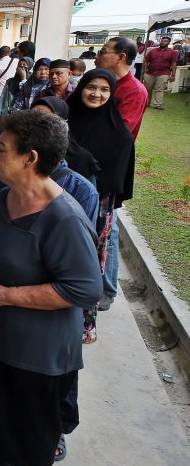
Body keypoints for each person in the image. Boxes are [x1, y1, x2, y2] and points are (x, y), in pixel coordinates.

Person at [0, 110, 102, 466]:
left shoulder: (65, 218)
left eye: (2, 148)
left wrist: (7, 294)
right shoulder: (6, 196)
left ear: (30, 158)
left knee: (33, 416)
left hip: (36, 345)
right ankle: (2, 454)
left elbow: (84, 289)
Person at [67, 69, 135, 344]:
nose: (96, 94)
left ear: (112, 95)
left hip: (97, 211)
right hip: (56, 202)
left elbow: (116, 178)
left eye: (104, 90)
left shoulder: (119, 134)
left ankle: (84, 323)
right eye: (91, 87)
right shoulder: (65, 122)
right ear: (81, 87)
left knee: (88, 263)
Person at [94, 37, 149, 311]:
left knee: (108, 228)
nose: (100, 55)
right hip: (93, 162)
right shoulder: (108, 84)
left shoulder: (134, 91)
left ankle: (107, 288)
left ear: (123, 57)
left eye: (105, 52)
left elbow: (120, 132)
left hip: (112, 165)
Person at [143, 34, 179, 110]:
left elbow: (174, 63)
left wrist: (173, 75)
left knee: (159, 89)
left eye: (165, 41)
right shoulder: (153, 51)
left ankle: (157, 105)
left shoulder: (172, 52)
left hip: (163, 73)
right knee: (147, 89)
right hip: (150, 72)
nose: (163, 42)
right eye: (162, 41)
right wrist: (145, 68)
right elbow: (146, 60)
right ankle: (146, 103)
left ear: (169, 43)